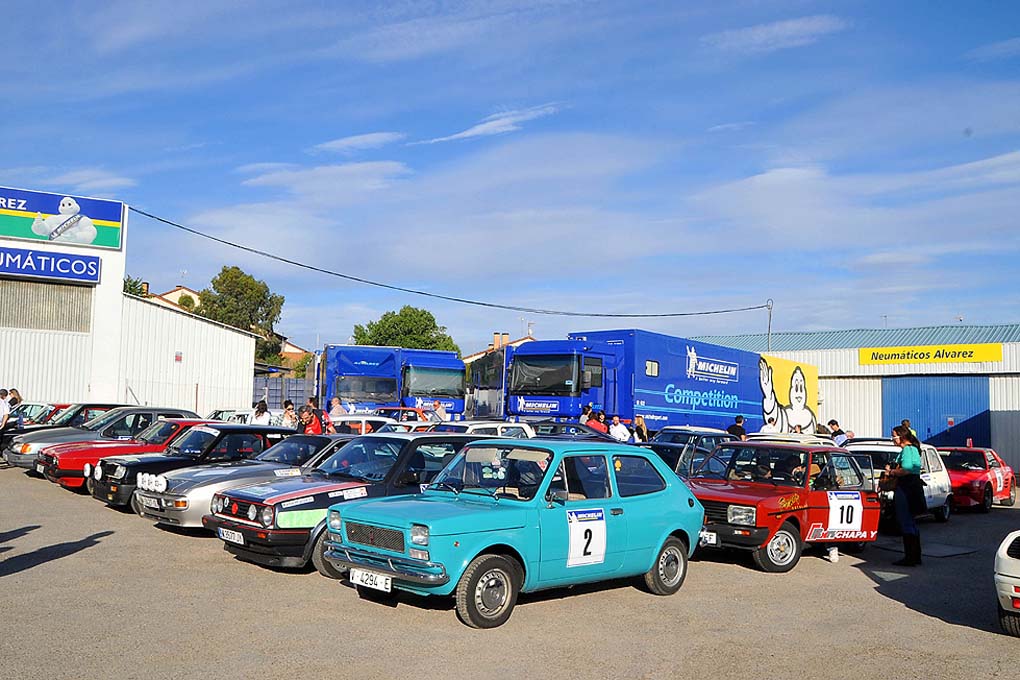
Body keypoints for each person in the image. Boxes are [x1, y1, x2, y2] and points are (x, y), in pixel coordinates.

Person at [886, 425, 925, 566]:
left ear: (901, 436)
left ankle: (910, 557)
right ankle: (915, 555)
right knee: (911, 522)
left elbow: (907, 469)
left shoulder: (908, 450)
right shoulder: (913, 449)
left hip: (906, 487)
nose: (892, 438)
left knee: (906, 520)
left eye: (894, 436)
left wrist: (891, 472)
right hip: (913, 487)